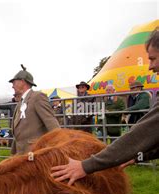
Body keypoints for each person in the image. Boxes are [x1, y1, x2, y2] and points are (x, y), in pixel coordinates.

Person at [51, 28, 159, 185]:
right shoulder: (77, 100)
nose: (150, 66)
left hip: (93, 126)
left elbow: (144, 132)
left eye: (153, 58)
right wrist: (138, 155)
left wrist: (86, 166)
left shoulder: (97, 99)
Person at [9, 64, 60, 155]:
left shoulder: (38, 97)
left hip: (35, 153)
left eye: (14, 82)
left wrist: (59, 148)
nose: (12, 86)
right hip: (20, 153)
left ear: (22, 82)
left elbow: (52, 124)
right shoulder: (20, 102)